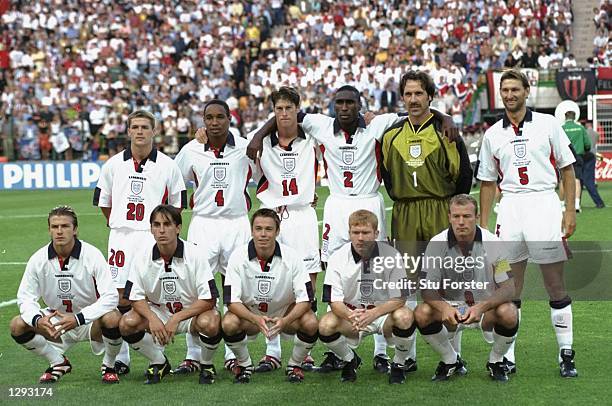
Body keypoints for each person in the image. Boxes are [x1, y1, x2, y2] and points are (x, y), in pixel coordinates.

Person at [247, 85, 457, 373]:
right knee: (337, 271)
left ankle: (383, 351)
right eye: (339, 103)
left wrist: (446, 118)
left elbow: (415, 111)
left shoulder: (377, 123)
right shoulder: (320, 124)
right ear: (334, 105)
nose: (344, 107)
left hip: (370, 203)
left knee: (380, 272)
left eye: (350, 102)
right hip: (336, 204)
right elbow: (287, 114)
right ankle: (337, 349)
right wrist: (259, 135)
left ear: (360, 104)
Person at [477, 69, 578, 378]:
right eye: (505, 90)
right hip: (509, 210)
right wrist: (483, 227)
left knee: (554, 283)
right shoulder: (493, 133)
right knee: (509, 286)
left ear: (526, 91)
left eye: (514, 89)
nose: (509, 94)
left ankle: (566, 353)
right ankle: (507, 355)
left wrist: (570, 210)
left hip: (544, 205)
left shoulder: (548, 125)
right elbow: (486, 183)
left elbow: (568, 169)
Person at [93, 110, 187, 375]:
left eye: (145, 127)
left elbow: (177, 206)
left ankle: (157, 353)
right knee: (120, 297)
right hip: (122, 237)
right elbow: (104, 203)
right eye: (135, 127)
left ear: (154, 131)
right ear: (128, 131)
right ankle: (122, 357)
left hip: (151, 237)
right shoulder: (113, 164)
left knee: (149, 295)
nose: (140, 131)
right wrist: (119, 224)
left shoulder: (168, 165)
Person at [174, 99, 253, 374]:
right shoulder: (191, 149)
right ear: (203, 121)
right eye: (210, 117)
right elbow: (175, 180)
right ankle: (193, 354)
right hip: (203, 224)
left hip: (237, 224)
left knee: (236, 289)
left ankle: (233, 352)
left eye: (220, 116)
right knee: (197, 289)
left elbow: (267, 174)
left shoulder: (244, 147)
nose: (215, 122)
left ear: (229, 119)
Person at [249, 87, 321, 372]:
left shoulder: (313, 136)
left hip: (303, 215)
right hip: (272, 216)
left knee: (307, 283)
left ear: (297, 109)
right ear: (273, 112)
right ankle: (272, 349)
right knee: (270, 282)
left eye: (288, 108)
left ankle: (304, 351)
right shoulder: (262, 143)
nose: (283, 114)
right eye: (278, 109)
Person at [10, 206, 121, 384]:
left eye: (65, 226)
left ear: (75, 229)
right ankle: (57, 362)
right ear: (49, 230)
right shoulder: (38, 259)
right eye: (54, 227)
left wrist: (78, 318)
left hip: (89, 320)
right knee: (17, 324)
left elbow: (110, 296)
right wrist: (38, 319)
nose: (59, 231)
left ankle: (109, 365)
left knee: (113, 318)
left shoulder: (92, 255)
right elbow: (25, 297)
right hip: (56, 321)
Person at [415, 194, 519, 382]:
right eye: (456, 216)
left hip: (483, 309)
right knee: (422, 312)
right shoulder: (436, 244)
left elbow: (508, 287)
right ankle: (450, 360)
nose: (461, 222)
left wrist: (481, 307)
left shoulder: (493, 242)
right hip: (450, 310)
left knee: (510, 312)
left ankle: (496, 360)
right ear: (449, 217)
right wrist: (445, 308)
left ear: (477, 217)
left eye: (467, 216)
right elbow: (426, 288)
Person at [119, 205, 221, 384]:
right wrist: (152, 318)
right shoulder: (142, 257)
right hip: (160, 311)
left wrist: (176, 319)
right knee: (127, 323)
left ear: (178, 228)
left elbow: (209, 298)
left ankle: (206, 364)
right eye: (156, 225)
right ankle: (159, 362)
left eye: (167, 224)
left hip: (191, 313)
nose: (161, 230)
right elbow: (134, 296)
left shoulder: (196, 254)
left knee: (210, 322)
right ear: (151, 229)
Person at [222, 209, 318, 384]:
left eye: (268, 229)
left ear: (277, 231)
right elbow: (231, 301)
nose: (263, 234)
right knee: (228, 322)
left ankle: (294, 364)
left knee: (311, 322)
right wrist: (255, 319)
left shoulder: (293, 256)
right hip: (252, 313)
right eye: (258, 229)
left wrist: (286, 320)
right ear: (251, 231)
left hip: (283, 311)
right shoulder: (237, 256)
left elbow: (306, 299)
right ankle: (244, 365)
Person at [319, 210, 415, 384]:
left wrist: (374, 313)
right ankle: (350, 360)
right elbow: (334, 301)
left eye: (366, 233)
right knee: (325, 325)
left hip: (382, 315)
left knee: (405, 316)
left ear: (376, 233)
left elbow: (401, 298)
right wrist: (350, 315)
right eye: (356, 233)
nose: (360, 238)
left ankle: (399, 364)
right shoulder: (337, 258)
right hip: (352, 316)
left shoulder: (392, 255)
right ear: (349, 233)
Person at [381, 70, 472, 243]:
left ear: (430, 96)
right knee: (409, 269)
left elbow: (463, 177)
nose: (413, 100)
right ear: (402, 97)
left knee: (444, 268)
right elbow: (388, 176)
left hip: (440, 211)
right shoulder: (390, 135)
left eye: (418, 93)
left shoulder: (446, 132)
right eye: (408, 94)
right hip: (405, 214)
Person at [582, 121, 605, 208]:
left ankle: (577, 202)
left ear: (587, 125)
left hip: (585, 155)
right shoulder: (596, 134)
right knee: (590, 177)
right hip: (593, 154)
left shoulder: (584, 132)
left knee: (584, 179)